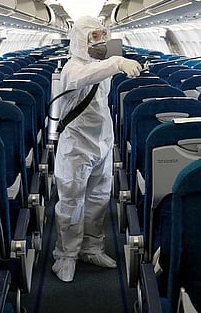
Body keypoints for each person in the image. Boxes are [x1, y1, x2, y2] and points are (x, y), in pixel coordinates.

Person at [52, 16, 142, 282]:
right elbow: (82, 79)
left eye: (103, 36)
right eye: (94, 38)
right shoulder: (72, 68)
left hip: (102, 141)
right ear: (80, 40)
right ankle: (66, 255)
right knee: (71, 201)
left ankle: (92, 248)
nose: (101, 43)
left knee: (98, 200)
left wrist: (115, 63)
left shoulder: (100, 67)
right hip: (76, 145)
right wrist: (117, 62)